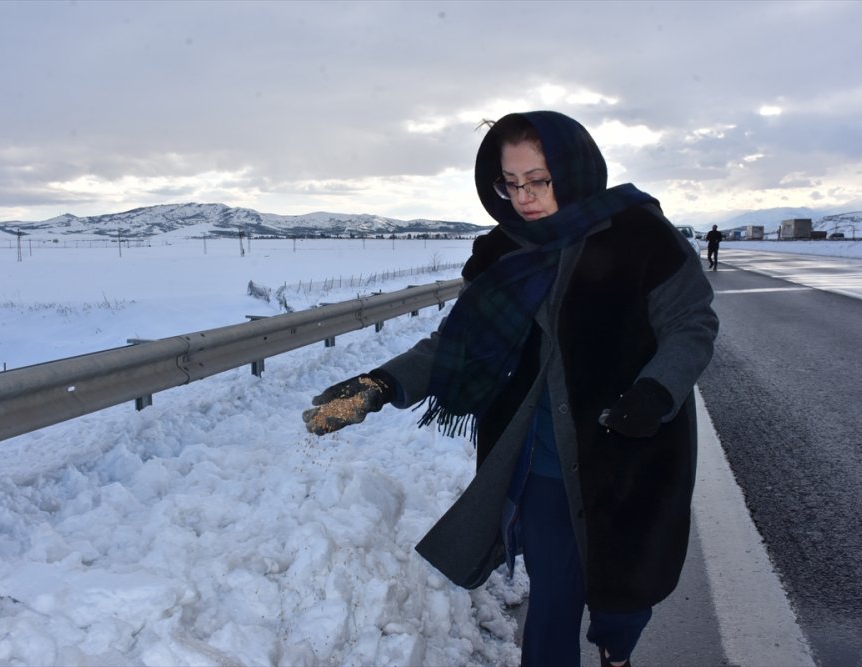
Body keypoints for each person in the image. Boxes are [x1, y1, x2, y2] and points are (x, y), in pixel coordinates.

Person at [302, 111, 718, 667]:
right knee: (554, 594)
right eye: (511, 182)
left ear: (574, 168)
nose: (523, 196)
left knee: (625, 591)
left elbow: (691, 324)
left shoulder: (640, 236)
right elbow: (456, 343)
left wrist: (656, 392)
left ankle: (617, 650)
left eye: (539, 179)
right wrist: (382, 384)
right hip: (542, 458)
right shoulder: (500, 254)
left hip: (630, 447)